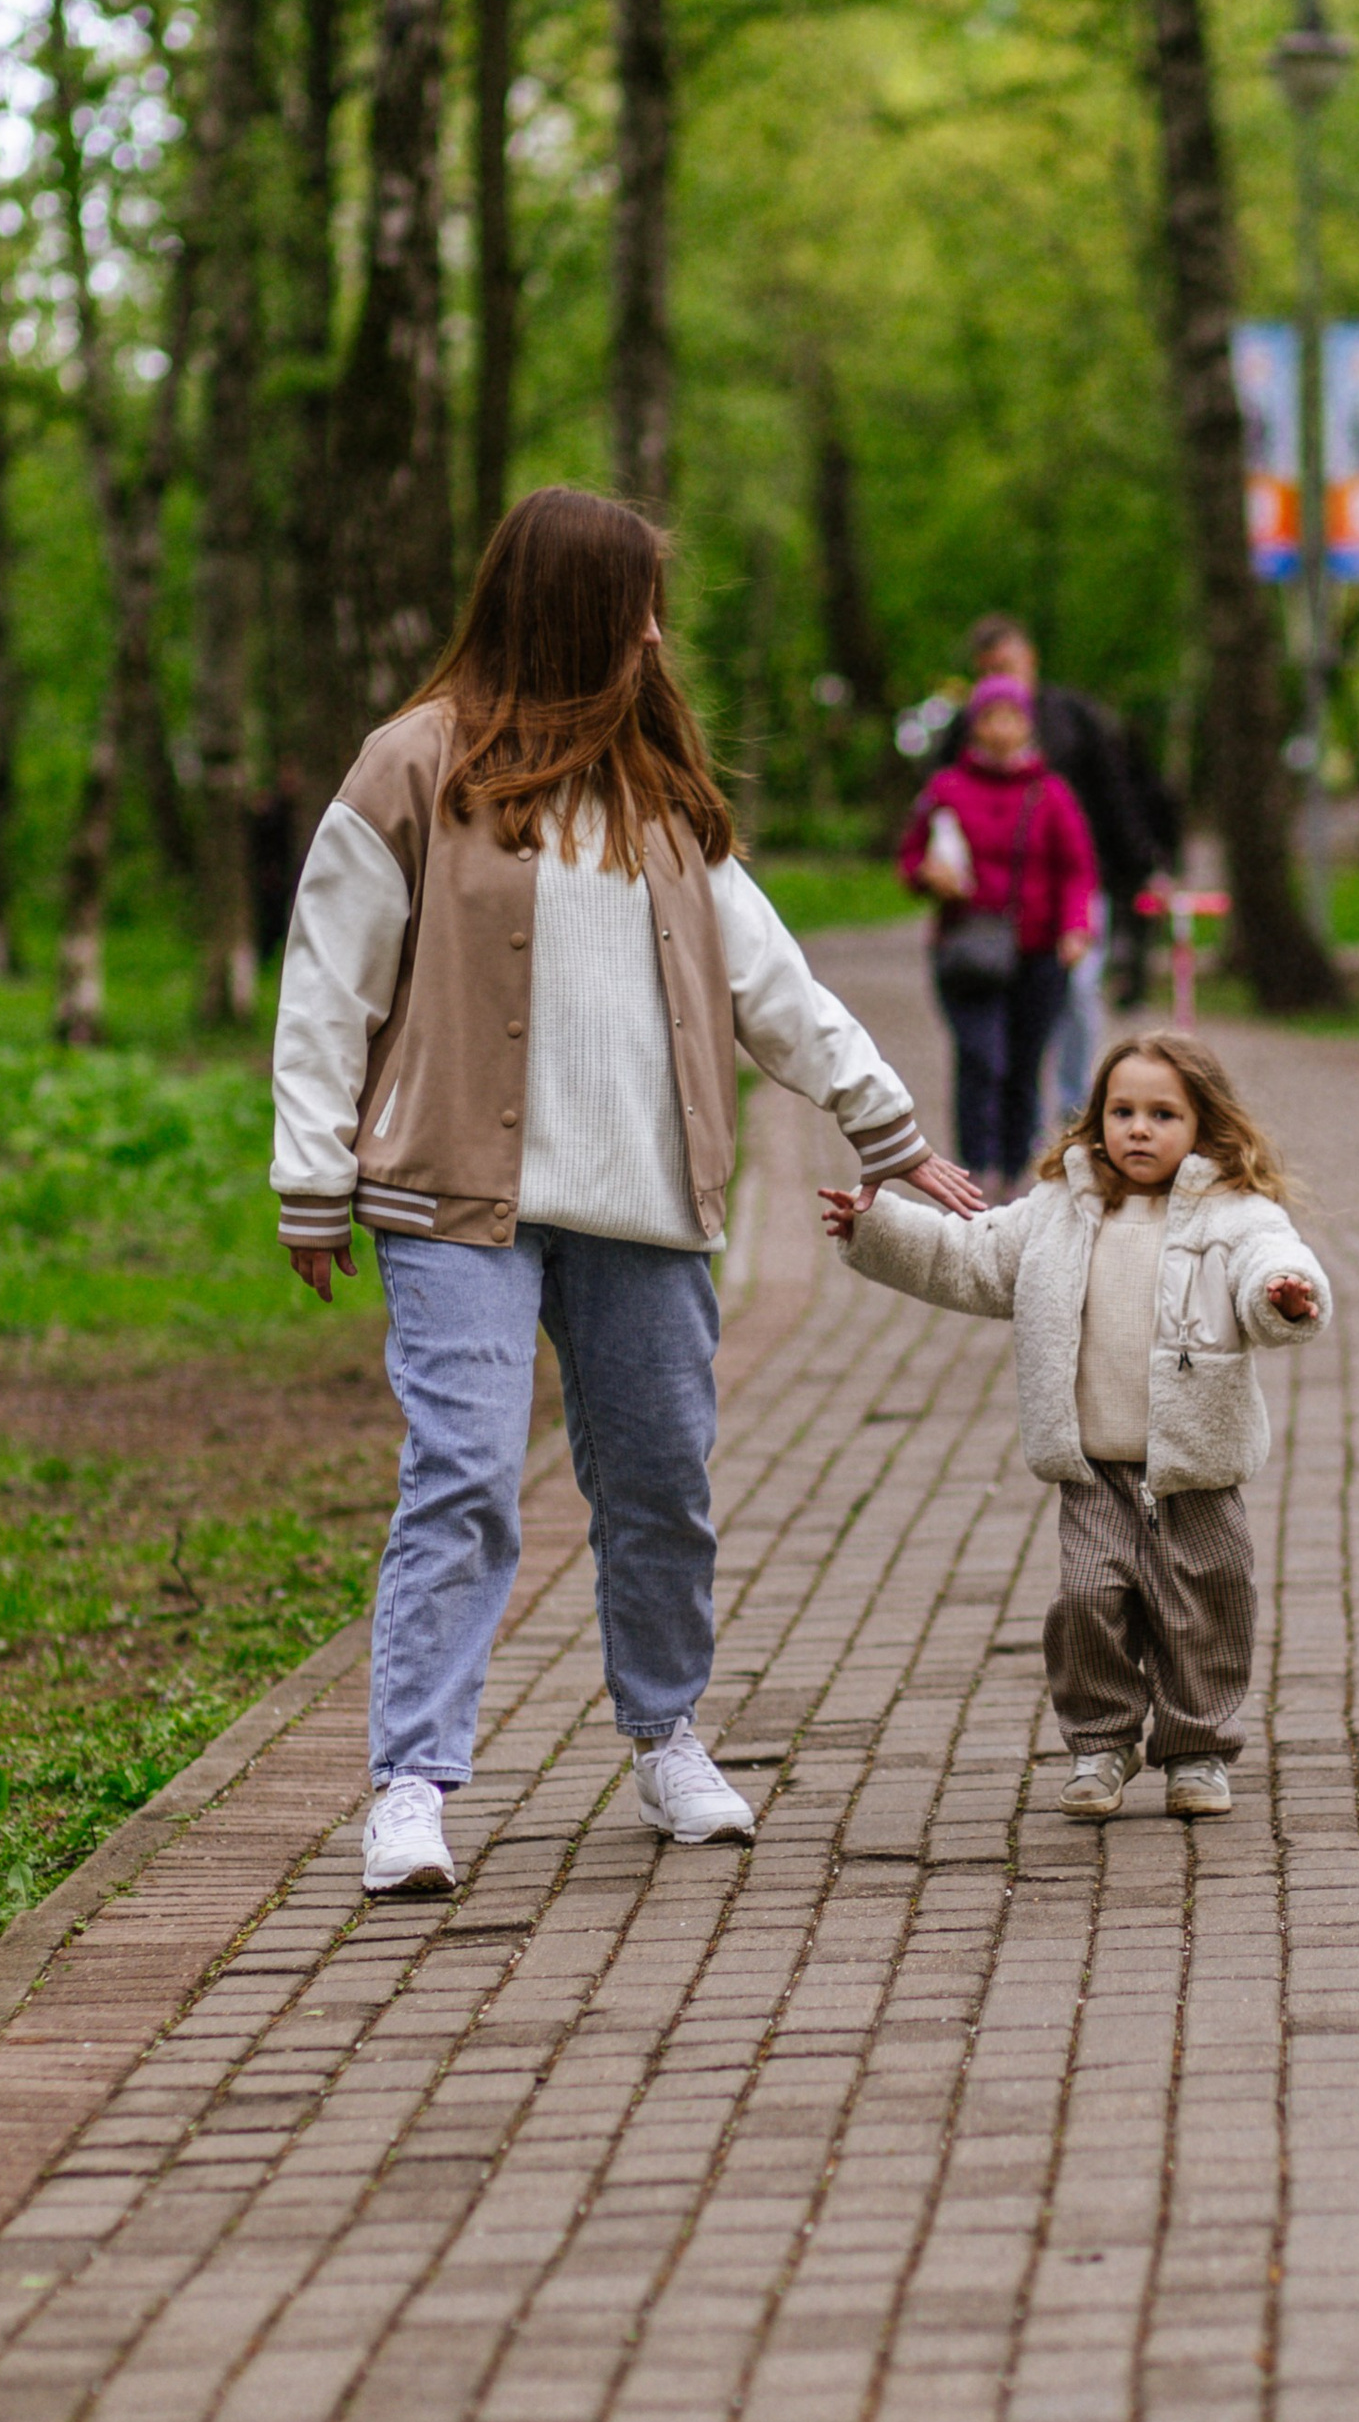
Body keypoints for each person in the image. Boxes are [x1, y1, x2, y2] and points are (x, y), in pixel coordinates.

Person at [271, 486, 981, 1900]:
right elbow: (327, 977)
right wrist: (312, 1172)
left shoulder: (661, 796)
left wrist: (883, 1124)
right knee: (464, 1476)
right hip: (450, 1194)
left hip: (647, 1203)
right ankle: (412, 1782)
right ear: (572, 610)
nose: (654, 634)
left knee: (659, 1482)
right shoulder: (414, 766)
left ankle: (666, 1737)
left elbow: (773, 985)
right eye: (637, 607)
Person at [819, 1032, 1329, 1821]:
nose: (1139, 1129)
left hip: (1195, 1469)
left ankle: (1197, 1750)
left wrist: (1285, 1294)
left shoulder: (1236, 1213)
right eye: (1122, 1111)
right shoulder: (1061, 1209)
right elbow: (971, 1256)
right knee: (1087, 1601)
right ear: (1096, 1119)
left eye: (1163, 1114)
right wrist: (877, 1227)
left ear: (1204, 1123)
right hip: (1095, 1468)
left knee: (1206, 1612)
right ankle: (1102, 1741)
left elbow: (1272, 1263)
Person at [941, 616, 1183, 1048]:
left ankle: (1075, 1089)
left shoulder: (1075, 718)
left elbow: (1115, 795)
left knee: (1078, 994)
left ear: (1029, 659)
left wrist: (1146, 865)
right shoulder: (965, 729)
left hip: (1079, 881)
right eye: (989, 671)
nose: (999, 679)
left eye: (1006, 666)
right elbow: (937, 809)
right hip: (993, 903)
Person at [903, 674, 1098, 1196]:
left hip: (1039, 954)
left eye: (1012, 717)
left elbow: (1078, 870)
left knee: (1023, 1065)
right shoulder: (946, 790)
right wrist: (928, 874)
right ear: (975, 725)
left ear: (1027, 726)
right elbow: (910, 858)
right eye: (991, 717)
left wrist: (1076, 928)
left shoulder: (1051, 794)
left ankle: (1015, 1170)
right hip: (968, 951)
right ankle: (977, 1168)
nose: (1002, 728)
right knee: (980, 1058)